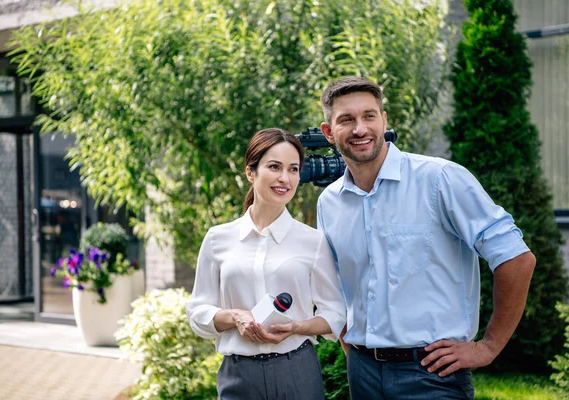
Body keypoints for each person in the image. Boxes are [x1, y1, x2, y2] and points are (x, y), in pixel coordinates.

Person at [316, 76, 536, 399]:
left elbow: (516, 258)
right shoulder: (330, 202)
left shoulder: (440, 180)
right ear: (328, 132)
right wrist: (351, 342)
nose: (360, 129)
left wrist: (487, 347)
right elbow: (333, 285)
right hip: (362, 374)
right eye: (346, 120)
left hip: (432, 376)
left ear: (384, 120)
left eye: (369, 116)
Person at [187, 128, 346, 400]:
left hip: (297, 371)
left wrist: (297, 327)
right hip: (239, 376)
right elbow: (198, 311)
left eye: (293, 169)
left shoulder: (313, 241)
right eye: (274, 167)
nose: (284, 178)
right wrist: (235, 316)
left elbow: (335, 312)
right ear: (251, 172)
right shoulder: (218, 239)